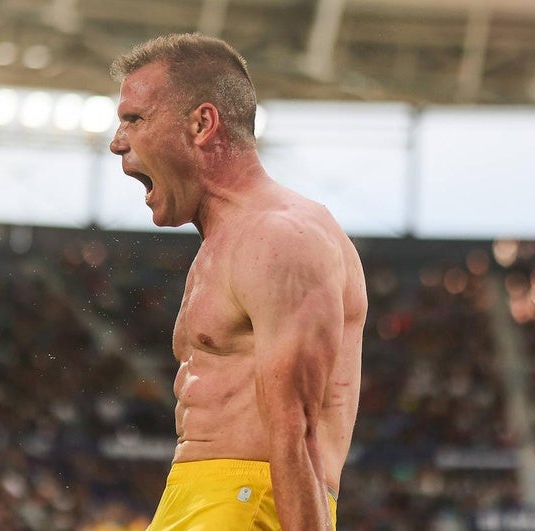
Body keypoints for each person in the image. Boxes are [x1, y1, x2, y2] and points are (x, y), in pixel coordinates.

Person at [109, 33, 367, 531]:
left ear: (202, 123)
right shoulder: (227, 243)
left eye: (134, 119)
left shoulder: (281, 236)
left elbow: (299, 436)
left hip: (251, 503)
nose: (118, 142)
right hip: (202, 500)